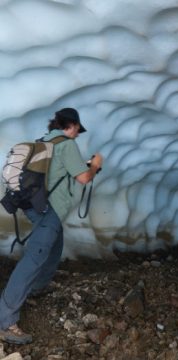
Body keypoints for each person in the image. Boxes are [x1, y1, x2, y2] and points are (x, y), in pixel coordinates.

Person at [0, 108, 103, 344]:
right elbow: (84, 178)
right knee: (35, 257)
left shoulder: (45, 143)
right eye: (78, 130)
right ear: (73, 125)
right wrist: (95, 165)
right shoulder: (66, 145)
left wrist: (83, 166)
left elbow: (58, 172)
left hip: (35, 207)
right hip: (50, 211)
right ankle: (5, 320)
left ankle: (35, 287)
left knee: (55, 246)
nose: (78, 135)